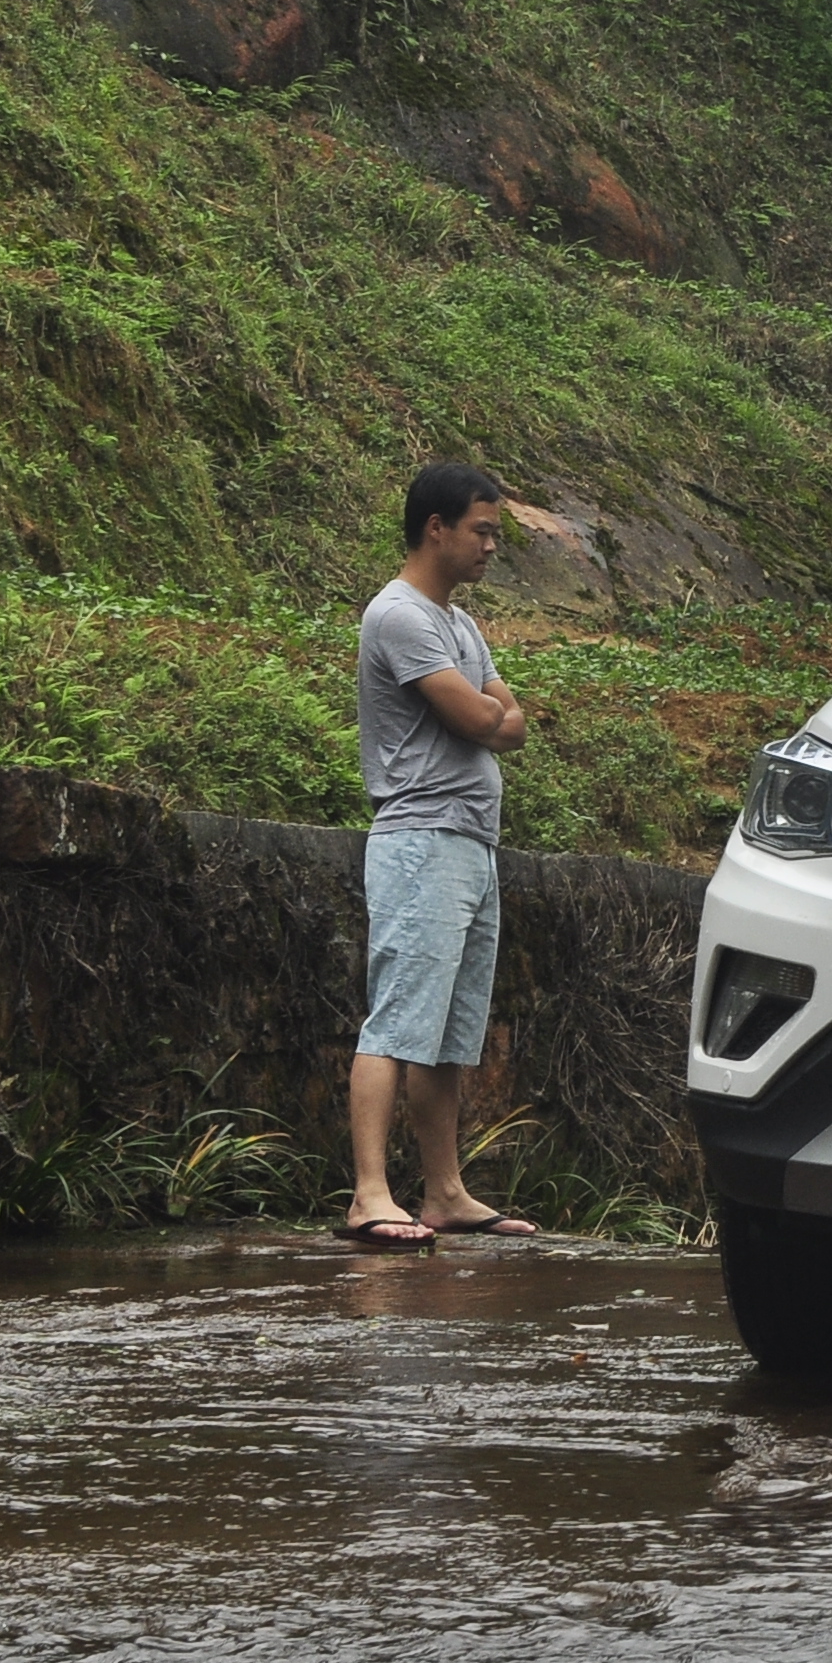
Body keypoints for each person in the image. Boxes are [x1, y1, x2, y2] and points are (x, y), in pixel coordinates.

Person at [339, 463, 542, 1254]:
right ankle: (369, 1194)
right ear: (436, 528)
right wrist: (491, 714)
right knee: (397, 1019)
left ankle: (444, 1191)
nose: (493, 545)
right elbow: (474, 714)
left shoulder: (459, 623)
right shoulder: (400, 616)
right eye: (482, 530)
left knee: (452, 1033)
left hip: (469, 842)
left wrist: (493, 715)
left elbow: (511, 720)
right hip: (420, 840)